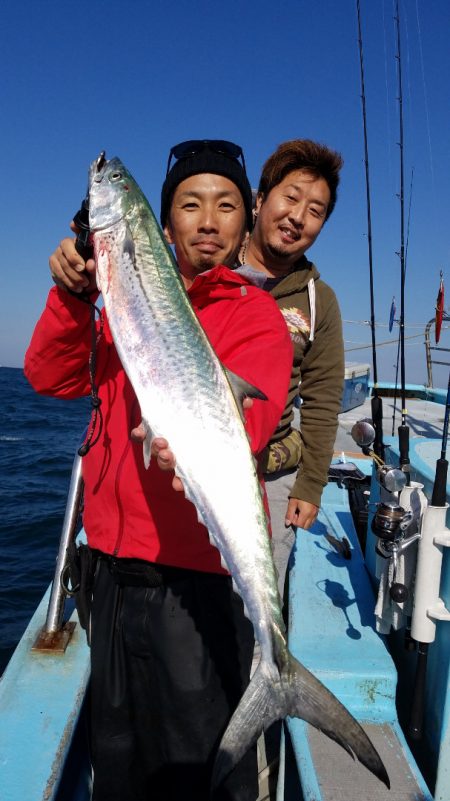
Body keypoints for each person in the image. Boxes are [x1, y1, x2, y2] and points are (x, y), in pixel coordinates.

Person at [24, 140, 293, 801]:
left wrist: (197, 447)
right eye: (191, 204)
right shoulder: (122, 304)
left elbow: (251, 423)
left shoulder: (256, 314)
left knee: (196, 773)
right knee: (119, 771)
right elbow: (49, 376)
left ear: (246, 222)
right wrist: (72, 296)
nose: (209, 221)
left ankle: (276, 672)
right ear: (165, 223)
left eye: (226, 205)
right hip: (110, 583)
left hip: (194, 591)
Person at [238, 139, 345, 600]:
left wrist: (311, 485)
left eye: (315, 211)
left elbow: (322, 400)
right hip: (187, 461)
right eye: (291, 197)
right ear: (260, 199)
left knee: (256, 603)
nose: (298, 217)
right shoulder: (208, 262)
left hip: (270, 475)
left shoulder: (320, 302)